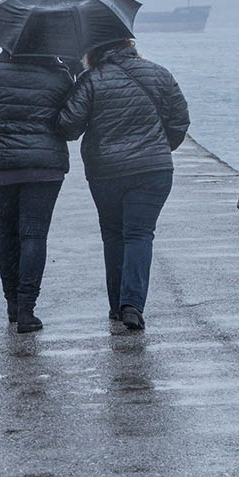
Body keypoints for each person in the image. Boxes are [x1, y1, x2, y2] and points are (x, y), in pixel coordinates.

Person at [57, 39, 189, 332]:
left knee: (114, 234)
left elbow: (68, 127)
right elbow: (180, 119)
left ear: (93, 49)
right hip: (153, 169)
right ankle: (133, 305)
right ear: (129, 43)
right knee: (140, 234)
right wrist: (159, 148)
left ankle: (117, 305)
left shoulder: (90, 80)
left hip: (105, 170)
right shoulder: (160, 74)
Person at [0, 50, 74, 334]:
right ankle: (28, 311)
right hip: (44, 166)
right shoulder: (60, 73)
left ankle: (12, 304)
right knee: (34, 234)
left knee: (7, 231)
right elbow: (70, 119)